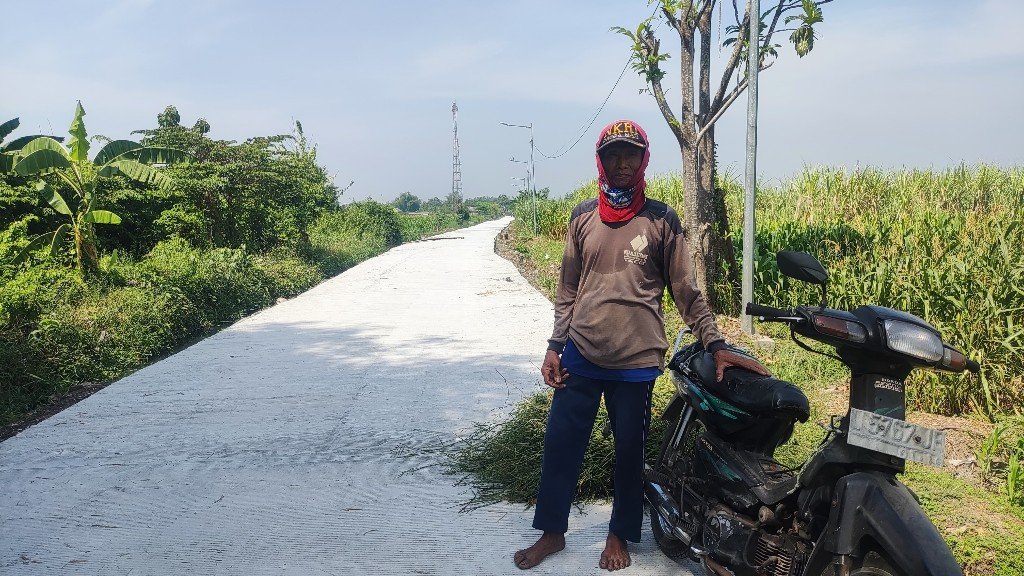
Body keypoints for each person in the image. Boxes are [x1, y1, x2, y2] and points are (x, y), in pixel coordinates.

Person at [513, 120, 769, 571]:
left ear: (644, 159)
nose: (623, 162)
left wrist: (716, 342)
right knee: (560, 443)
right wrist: (555, 346)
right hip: (581, 352)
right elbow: (568, 289)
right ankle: (552, 532)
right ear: (602, 160)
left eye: (632, 153)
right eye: (614, 154)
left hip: (636, 361)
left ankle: (619, 535)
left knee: (630, 450)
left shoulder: (662, 220)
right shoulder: (581, 218)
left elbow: (686, 292)